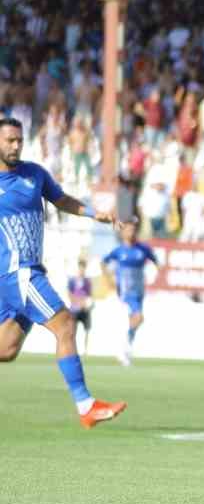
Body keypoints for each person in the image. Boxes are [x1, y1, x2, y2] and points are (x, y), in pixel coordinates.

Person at [0, 117, 125, 427]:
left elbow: (62, 200)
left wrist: (96, 214)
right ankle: (86, 406)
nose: (16, 146)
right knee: (66, 324)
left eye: (19, 140)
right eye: (9, 141)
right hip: (18, 273)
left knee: (6, 349)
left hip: (25, 273)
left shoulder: (34, 174)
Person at [103, 220, 160, 366]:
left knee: (134, 319)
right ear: (123, 232)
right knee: (138, 317)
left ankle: (125, 349)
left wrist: (156, 275)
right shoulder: (119, 251)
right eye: (128, 229)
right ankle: (125, 346)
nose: (131, 232)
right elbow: (104, 262)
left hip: (139, 289)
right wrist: (109, 279)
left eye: (134, 229)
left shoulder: (143, 249)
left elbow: (156, 261)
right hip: (125, 290)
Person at [66, 258, 93, 354]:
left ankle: (85, 350)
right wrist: (78, 303)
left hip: (85, 309)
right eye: (80, 268)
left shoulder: (87, 281)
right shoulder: (72, 280)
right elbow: (69, 294)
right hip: (74, 309)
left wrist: (87, 304)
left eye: (83, 268)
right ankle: (73, 349)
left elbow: (89, 295)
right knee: (73, 329)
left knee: (87, 329)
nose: (82, 270)